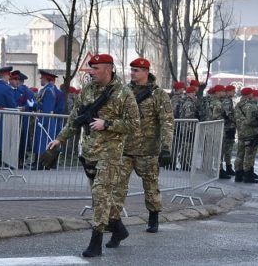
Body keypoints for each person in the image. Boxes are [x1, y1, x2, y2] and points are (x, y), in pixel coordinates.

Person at [47, 54, 140, 257]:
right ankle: (119, 229)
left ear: (108, 69)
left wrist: (107, 124)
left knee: (100, 194)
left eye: (96, 68)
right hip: (90, 152)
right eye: (91, 68)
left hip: (111, 153)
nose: (91, 72)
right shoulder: (88, 90)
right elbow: (75, 118)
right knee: (102, 198)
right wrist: (60, 139)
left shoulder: (124, 93)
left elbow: (134, 125)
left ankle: (95, 242)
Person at [107, 57, 173, 246]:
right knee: (117, 188)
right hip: (124, 149)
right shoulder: (123, 92)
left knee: (151, 187)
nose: (132, 73)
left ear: (146, 72)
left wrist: (166, 147)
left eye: (136, 70)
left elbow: (167, 122)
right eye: (131, 70)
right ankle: (115, 226)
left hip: (148, 150)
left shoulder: (159, 94)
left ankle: (153, 217)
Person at [234, 87, 258, 183]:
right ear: (249, 95)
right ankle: (247, 175)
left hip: (241, 133)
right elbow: (252, 120)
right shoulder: (251, 106)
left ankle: (238, 174)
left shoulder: (238, 105)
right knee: (249, 155)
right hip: (251, 133)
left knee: (240, 154)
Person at [32, 70, 57, 170]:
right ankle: (39, 163)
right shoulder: (45, 90)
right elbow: (41, 104)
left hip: (45, 120)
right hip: (42, 119)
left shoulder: (48, 90)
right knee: (40, 142)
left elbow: (46, 108)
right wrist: (34, 105)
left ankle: (42, 164)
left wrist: (44, 121)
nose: (40, 80)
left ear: (46, 79)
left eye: (42, 78)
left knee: (43, 144)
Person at [209, 84, 231, 179]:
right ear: (218, 92)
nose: (223, 93)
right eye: (222, 91)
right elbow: (215, 117)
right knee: (219, 151)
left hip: (211, 129)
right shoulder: (217, 103)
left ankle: (213, 169)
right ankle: (219, 170)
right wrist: (224, 117)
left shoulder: (211, 101)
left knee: (213, 151)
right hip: (217, 129)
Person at [221, 85, 236, 176]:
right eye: (233, 91)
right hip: (227, 127)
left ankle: (228, 166)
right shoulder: (226, 101)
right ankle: (224, 167)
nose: (234, 93)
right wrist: (236, 120)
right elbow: (228, 114)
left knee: (228, 149)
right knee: (225, 149)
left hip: (230, 127)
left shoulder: (229, 100)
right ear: (228, 91)